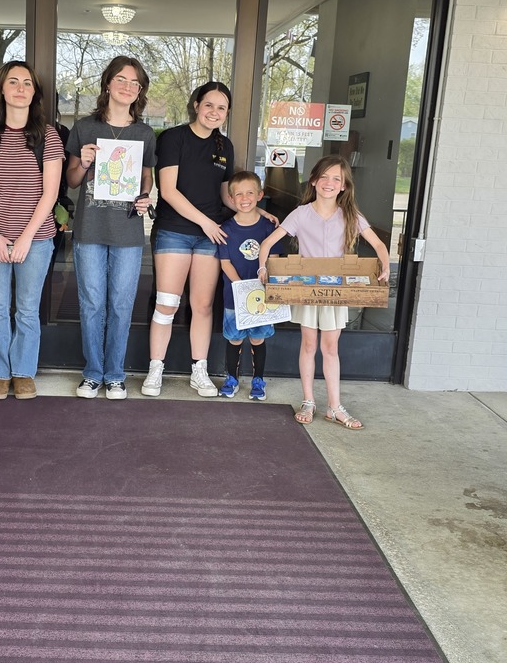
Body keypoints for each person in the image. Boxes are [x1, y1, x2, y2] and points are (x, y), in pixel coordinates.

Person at [258, 155, 390, 429]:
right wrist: (262, 267)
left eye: (336, 179)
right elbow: (268, 243)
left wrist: (385, 266)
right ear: (315, 180)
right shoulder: (301, 213)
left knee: (330, 347)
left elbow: (378, 244)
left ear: (343, 186)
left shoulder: (351, 215)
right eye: (325, 177)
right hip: (307, 287)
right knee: (308, 344)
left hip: (337, 290)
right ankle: (308, 400)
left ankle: (335, 406)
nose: (329, 183)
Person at [0, 61, 64, 400]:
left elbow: (50, 193)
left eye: (27, 83)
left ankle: (23, 372)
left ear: (34, 92)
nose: (21, 88)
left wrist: (25, 237)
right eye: (14, 82)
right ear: (2, 89)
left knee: (26, 309)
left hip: (36, 239)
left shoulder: (47, 135)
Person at [65, 57, 156, 400]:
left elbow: (146, 176)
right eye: (122, 79)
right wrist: (85, 162)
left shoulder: (144, 133)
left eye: (135, 83)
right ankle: (92, 373)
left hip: (129, 232)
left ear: (140, 90)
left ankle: (115, 374)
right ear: (107, 84)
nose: (128, 87)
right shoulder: (85, 128)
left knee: (121, 304)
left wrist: (145, 196)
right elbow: (72, 180)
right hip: (89, 229)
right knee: (91, 303)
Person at [142, 81, 239, 398]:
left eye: (221, 108)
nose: (214, 112)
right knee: (166, 304)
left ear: (226, 114)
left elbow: (224, 194)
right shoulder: (173, 138)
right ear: (196, 105)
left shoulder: (225, 146)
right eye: (209, 104)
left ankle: (200, 370)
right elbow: (167, 191)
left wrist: (251, 212)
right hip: (175, 231)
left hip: (210, 236)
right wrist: (206, 222)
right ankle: (156, 368)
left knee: (203, 305)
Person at [217, 171, 283, 401]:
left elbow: (273, 260)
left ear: (260, 195)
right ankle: (232, 379)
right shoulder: (225, 228)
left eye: (250, 193)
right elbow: (225, 263)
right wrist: (242, 288)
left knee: (258, 338)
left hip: (261, 297)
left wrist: (258, 288)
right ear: (231, 198)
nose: (244, 198)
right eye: (239, 194)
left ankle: (258, 380)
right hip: (234, 297)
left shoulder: (268, 227)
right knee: (234, 338)